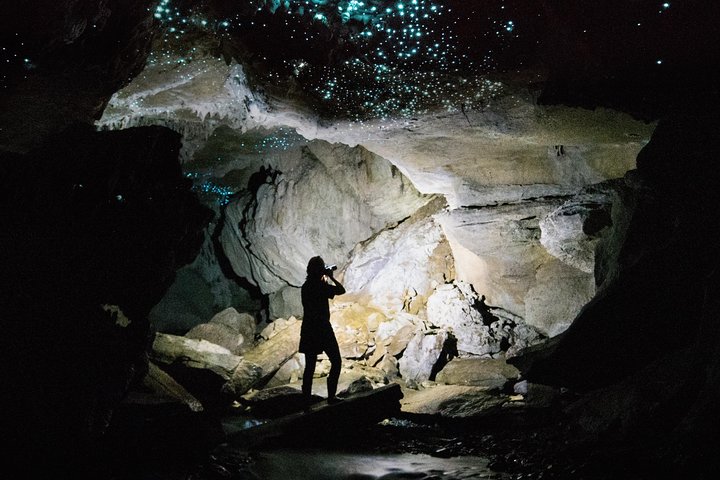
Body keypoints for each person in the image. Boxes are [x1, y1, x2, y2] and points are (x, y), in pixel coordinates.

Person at [299, 256, 346, 405]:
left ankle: (306, 403)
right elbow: (341, 290)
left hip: (308, 329)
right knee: (336, 361)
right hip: (323, 329)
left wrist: (323, 277)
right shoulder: (319, 286)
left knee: (310, 368)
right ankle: (331, 397)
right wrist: (331, 277)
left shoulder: (306, 286)